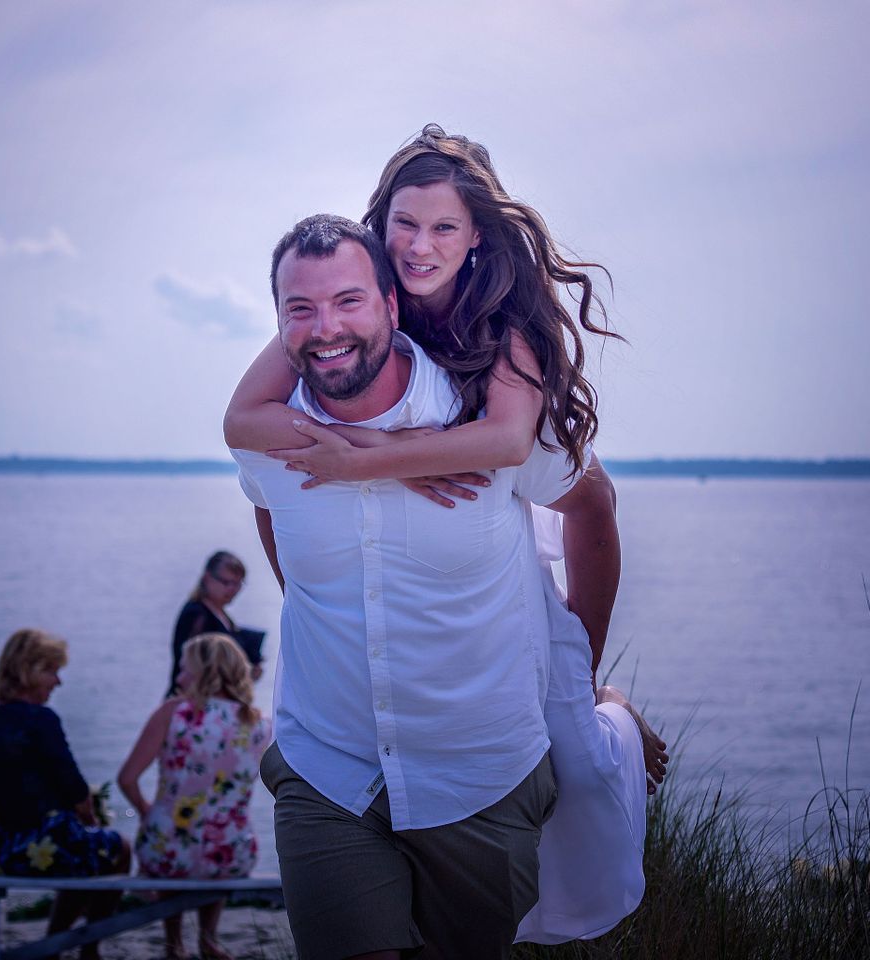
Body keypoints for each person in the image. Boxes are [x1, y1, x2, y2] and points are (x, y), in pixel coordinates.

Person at [230, 213, 612, 959]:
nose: (325, 328)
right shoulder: (269, 440)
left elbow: (593, 509)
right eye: (299, 309)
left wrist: (580, 672)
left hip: (482, 777)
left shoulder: (483, 417)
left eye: (348, 301)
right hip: (327, 769)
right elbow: (266, 507)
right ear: (277, 322)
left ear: (391, 304)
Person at [0, 628, 130, 958]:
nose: (58, 682)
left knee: (80, 850)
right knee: (117, 849)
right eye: (52, 671)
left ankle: (55, 946)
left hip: (4, 849)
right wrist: (89, 814)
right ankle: (86, 947)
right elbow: (73, 786)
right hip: (42, 849)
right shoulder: (41, 720)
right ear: (29, 670)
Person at [119, 633, 272, 960]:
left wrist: (146, 812)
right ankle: (208, 938)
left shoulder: (174, 713)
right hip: (233, 853)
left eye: (184, 669)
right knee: (217, 832)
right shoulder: (260, 725)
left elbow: (127, 779)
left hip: (168, 851)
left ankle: (174, 942)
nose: (178, 678)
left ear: (205, 672)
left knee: (172, 834)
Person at [166, 551, 263, 696]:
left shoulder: (220, 614)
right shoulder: (196, 614)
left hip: (213, 701)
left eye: (238, 583)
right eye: (226, 582)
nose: (232, 589)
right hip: (191, 700)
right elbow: (192, 667)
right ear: (207, 578)